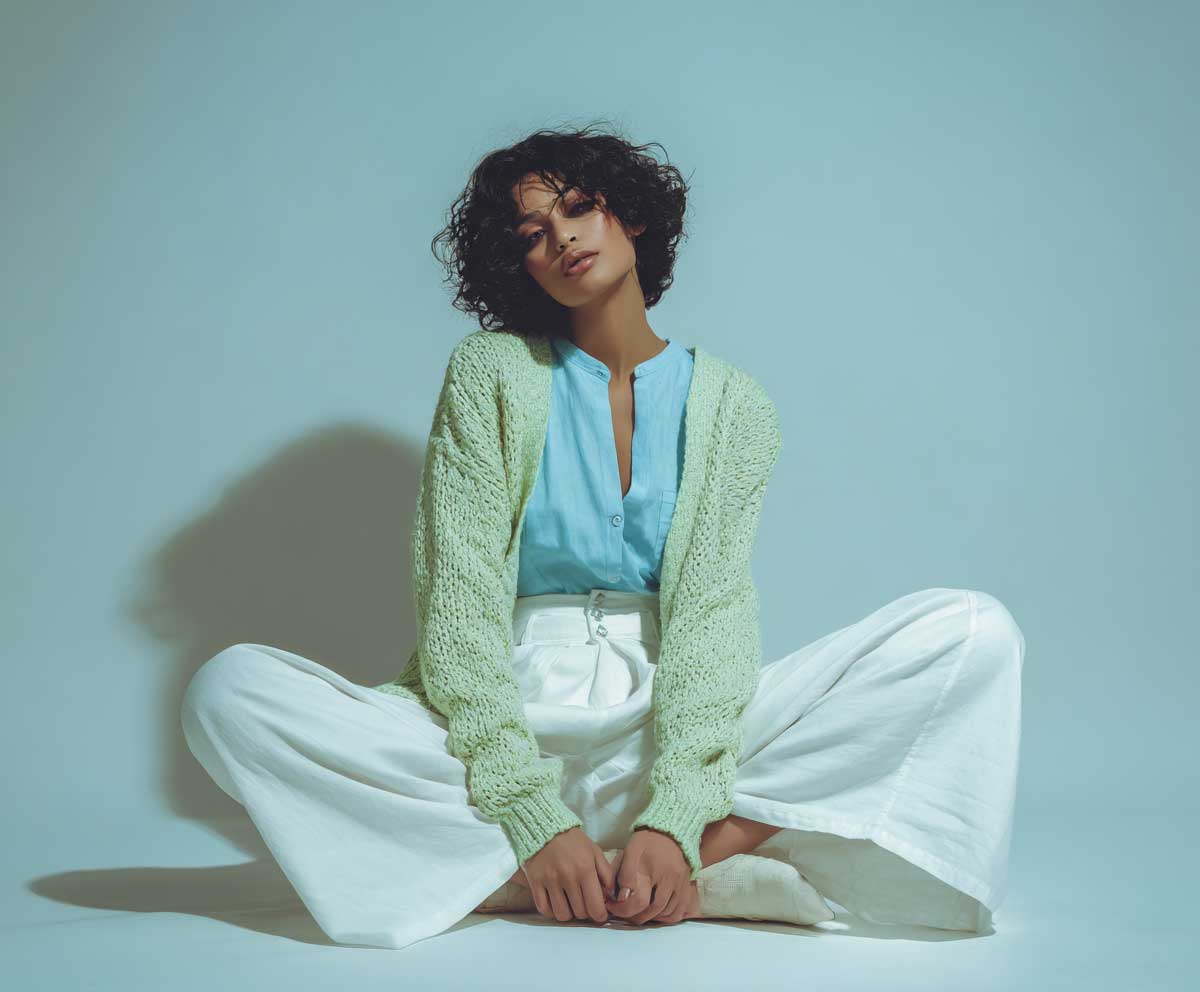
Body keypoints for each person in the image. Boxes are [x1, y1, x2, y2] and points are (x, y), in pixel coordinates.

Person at [180, 122, 1025, 951]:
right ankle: (565, 869)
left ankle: (673, 862)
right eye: (532, 234)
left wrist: (682, 814)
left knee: (971, 633)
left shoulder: (736, 406)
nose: (563, 238)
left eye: (580, 207)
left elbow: (714, 615)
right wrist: (525, 804)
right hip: (497, 728)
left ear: (633, 217)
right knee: (230, 691)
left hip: (669, 721)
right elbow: (459, 599)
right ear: (521, 265)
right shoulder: (493, 373)